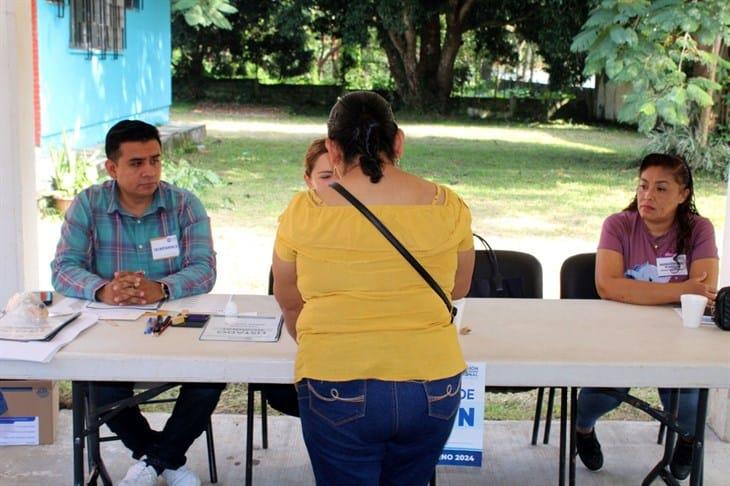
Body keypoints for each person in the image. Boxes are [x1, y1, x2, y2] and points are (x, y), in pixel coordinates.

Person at [272, 91, 475, 484]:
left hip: (334, 379)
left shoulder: (304, 212)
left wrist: (321, 342)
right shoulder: (447, 205)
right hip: (434, 384)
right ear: (397, 142)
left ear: (332, 149)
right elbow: (459, 286)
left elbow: (288, 299)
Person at [51, 120, 225, 486]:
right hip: (110, 327)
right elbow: (63, 268)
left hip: (178, 323)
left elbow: (204, 269)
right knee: (99, 384)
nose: (149, 171)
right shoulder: (89, 204)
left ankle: (154, 461)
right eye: (136, 163)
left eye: (155, 160)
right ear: (112, 168)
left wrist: (160, 288)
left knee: (212, 377)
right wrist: (103, 290)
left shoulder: (184, 204)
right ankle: (165, 459)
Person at [575, 153, 718, 480]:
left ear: (683, 195)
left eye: (661, 189)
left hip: (681, 338)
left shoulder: (699, 229)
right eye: (643, 186)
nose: (648, 196)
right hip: (621, 334)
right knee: (596, 398)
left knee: (689, 404)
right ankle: (583, 430)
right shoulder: (618, 224)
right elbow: (607, 286)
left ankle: (685, 438)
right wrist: (680, 291)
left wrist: (636, 290)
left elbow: (705, 291)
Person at [263, 138, 337, 418]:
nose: (336, 184)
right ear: (308, 180)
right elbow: (290, 301)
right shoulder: (296, 218)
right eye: (326, 176)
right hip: (311, 342)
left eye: (343, 175)